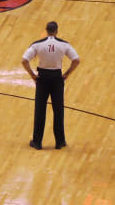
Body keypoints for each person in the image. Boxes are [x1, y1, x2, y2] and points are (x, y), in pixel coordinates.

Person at [21, 21, 80, 150]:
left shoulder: (37, 45)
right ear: (57, 30)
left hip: (42, 79)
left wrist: (32, 75)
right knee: (58, 111)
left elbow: (24, 60)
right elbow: (76, 60)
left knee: (40, 110)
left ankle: (37, 142)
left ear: (46, 30)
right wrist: (67, 74)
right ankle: (60, 141)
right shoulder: (64, 44)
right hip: (57, 79)